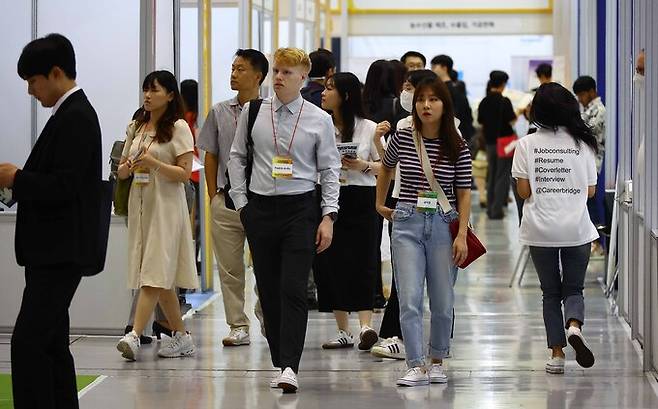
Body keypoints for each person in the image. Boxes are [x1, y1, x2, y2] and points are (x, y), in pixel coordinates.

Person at [228, 47, 341, 393]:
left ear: (303, 79)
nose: (278, 77)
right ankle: (280, 359)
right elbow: (236, 157)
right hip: (259, 209)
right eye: (276, 71)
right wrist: (242, 203)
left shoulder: (318, 118)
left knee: (293, 287)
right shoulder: (253, 112)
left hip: (300, 210)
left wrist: (328, 216)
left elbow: (330, 169)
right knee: (269, 289)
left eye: (287, 73)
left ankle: (290, 365)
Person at [0, 33, 103, 409]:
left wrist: (16, 179)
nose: (31, 91)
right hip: (52, 251)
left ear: (55, 73)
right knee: (52, 344)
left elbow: (64, 185)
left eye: (32, 81)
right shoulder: (68, 114)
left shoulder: (76, 116)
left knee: (28, 342)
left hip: (60, 252)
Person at [376, 77, 472, 387]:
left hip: (445, 224)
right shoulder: (403, 137)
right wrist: (380, 203)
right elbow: (387, 167)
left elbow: (464, 191)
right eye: (421, 100)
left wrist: (461, 236)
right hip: (406, 221)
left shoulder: (458, 144)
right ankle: (415, 364)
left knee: (443, 301)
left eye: (433, 99)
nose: (426, 105)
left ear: (445, 105)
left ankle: (437, 359)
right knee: (410, 298)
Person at [512, 82, 599, 375]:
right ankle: (574, 326)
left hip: (540, 230)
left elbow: (523, 192)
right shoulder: (583, 144)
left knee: (550, 293)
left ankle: (557, 354)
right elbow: (590, 192)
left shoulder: (526, 144)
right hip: (576, 229)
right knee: (574, 288)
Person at [116, 70, 198, 361]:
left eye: (155, 90)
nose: (148, 96)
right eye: (145, 90)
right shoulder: (137, 125)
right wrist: (126, 168)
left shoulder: (178, 127)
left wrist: (152, 163)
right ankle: (182, 336)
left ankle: (134, 334)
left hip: (167, 208)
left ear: (170, 95)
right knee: (162, 276)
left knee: (152, 270)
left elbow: (184, 174)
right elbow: (123, 166)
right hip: (141, 207)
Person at [197, 49, 268, 347]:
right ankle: (237, 324)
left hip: (262, 199)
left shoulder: (271, 110)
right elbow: (210, 153)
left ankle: (265, 314)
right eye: (232, 68)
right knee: (229, 268)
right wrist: (213, 193)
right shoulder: (219, 111)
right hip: (226, 200)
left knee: (265, 264)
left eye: (240, 69)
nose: (233, 74)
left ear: (258, 76)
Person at [316, 72, 382, 351]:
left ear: (346, 95)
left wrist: (362, 165)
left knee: (364, 259)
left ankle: (366, 325)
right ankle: (343, 329)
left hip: (362, 198)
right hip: (328, 197)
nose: (323, 93)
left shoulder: (369, 128)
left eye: (330, 89)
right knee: (329, 260)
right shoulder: (319, 125)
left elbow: (387, 169)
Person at [573, 75, 606, 255]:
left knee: (590, 204)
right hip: (583, 164)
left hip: (592, 164)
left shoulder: (599, 111)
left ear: (591, 92)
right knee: (586, 204)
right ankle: (594, 241)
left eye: (581, 95)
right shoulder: (587, 110)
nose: (579, 99)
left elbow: (584, 133)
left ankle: (597, 242)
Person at [477, 70, 517, 220]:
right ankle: (496, 211)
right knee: (502, 176)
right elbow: (512, 120)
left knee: (491, 175)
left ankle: (490, 207)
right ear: (503, 84)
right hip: (504, 143)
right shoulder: (504, 101)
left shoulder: (484, 101)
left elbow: (480, 121)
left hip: (489, 143)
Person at [431, 54, 475, 147]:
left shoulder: (450, 89)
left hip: (451, 135)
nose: (432, 70)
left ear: (444, 67)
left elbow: (458, 113)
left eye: (434, 67)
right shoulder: (454, 88)